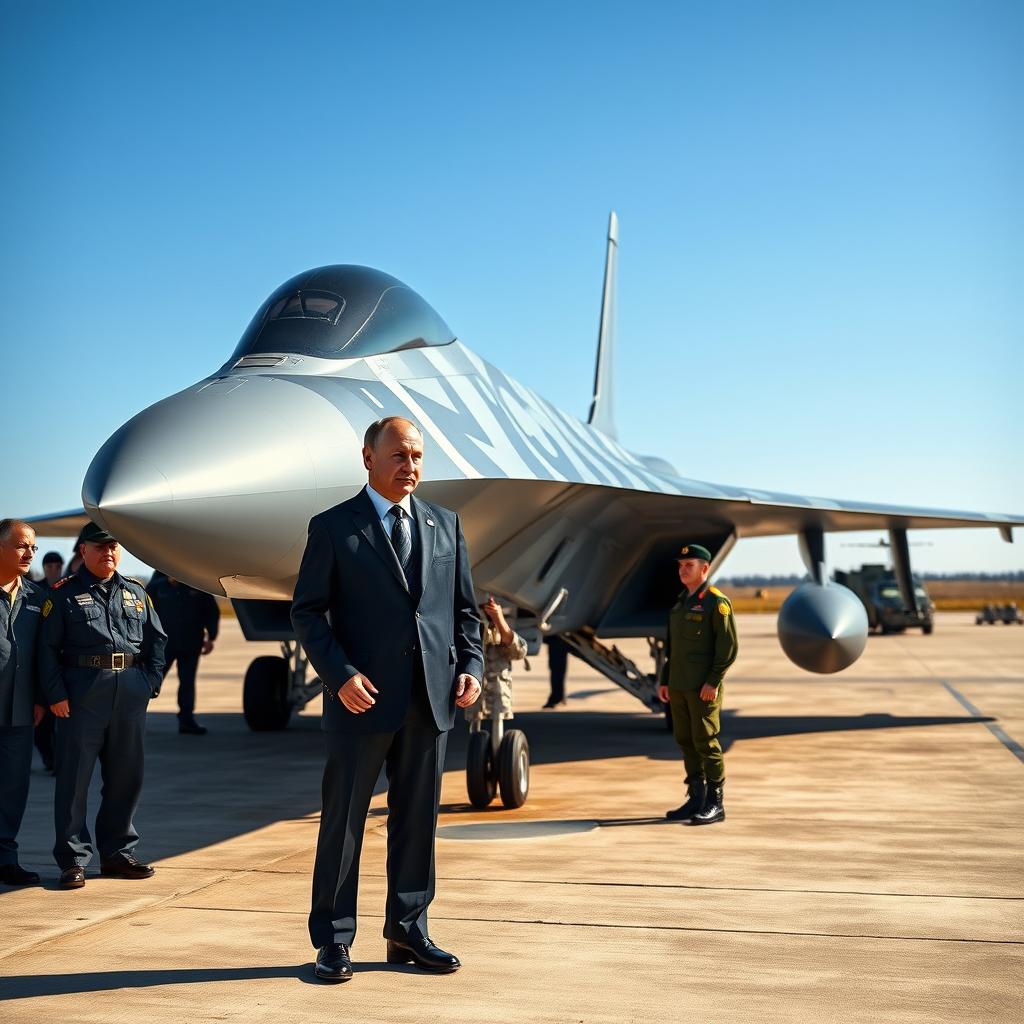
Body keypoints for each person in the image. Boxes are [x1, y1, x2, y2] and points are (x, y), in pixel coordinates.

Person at [291, 416, 483, 983]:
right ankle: (332, 939)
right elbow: (306, 612)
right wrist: (339, 675)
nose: (411, 465)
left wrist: (470, 665)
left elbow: (464, 612)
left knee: (418, 821)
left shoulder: (445, 525)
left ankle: (408, 929)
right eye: (399, 455)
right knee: (344, 823)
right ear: (368, 458)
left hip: (430, 700)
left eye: (418, 456)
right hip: (361, 701)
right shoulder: (333, 527)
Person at [39, 521, 167, 888]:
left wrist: (149, 685)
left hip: (129, 693)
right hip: (82, 695)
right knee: (74, 780)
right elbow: (47, 650)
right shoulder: (62, 595)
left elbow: (157, 641)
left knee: (127, 777)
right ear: (83, 552)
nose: (108, 553)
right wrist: (56, 695)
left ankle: (117, 852)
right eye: (100, 547)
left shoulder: (136, 593)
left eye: (113, 547)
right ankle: (73, 859)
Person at [657, 544, 738, 825]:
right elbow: (673, 649)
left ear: (705, 569)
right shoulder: (681, 602)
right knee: (686, 741)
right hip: (679, 685)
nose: (683, 570)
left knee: (706, 742)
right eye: (680, 565)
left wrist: (713, 681)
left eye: (689, 565)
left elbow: (727, 648)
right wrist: (665, 681)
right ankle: (696, 798)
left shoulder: (716, 602)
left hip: (702, 687)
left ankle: (716, 803)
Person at [0, 520, 47, 886]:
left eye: (31, 546)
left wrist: (43, 699)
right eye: (21, 546)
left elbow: (46, 656)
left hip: (19, 711)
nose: (29, 553)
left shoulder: (38, 599)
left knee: (13, 789)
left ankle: (6, 859)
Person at [146, 571, 220, 735]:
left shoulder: (198, 586)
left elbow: (211, 612)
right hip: (162, 646)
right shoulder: (156, 588)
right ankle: (133, 718)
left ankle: (186, 720)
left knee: (187, 682)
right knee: (150, 682)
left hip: (191, 643)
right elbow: (145, 615)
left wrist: (211, 638)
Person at [466, 596, 526, 726]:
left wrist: (498, 619)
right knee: (474, 726)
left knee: (497, 726)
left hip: (498, 690)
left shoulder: (502, 624)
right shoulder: (469, 624)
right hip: (473, 690)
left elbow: (518, 651)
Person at [32, 551, 65, 772]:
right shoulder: (34, 591)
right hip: (38, 661)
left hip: (62, 661)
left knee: (59, 718)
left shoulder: (67, 589)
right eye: (49, 565)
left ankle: (57, 759)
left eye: (56, 565)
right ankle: (48, 757)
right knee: (40, 718)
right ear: (43, 568)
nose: (53, 568)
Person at [542, 635, 571, 708]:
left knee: (557, 669)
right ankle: (558, 696)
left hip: (557, 639)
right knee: (557, 669)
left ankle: (557, 697)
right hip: (558, 638)